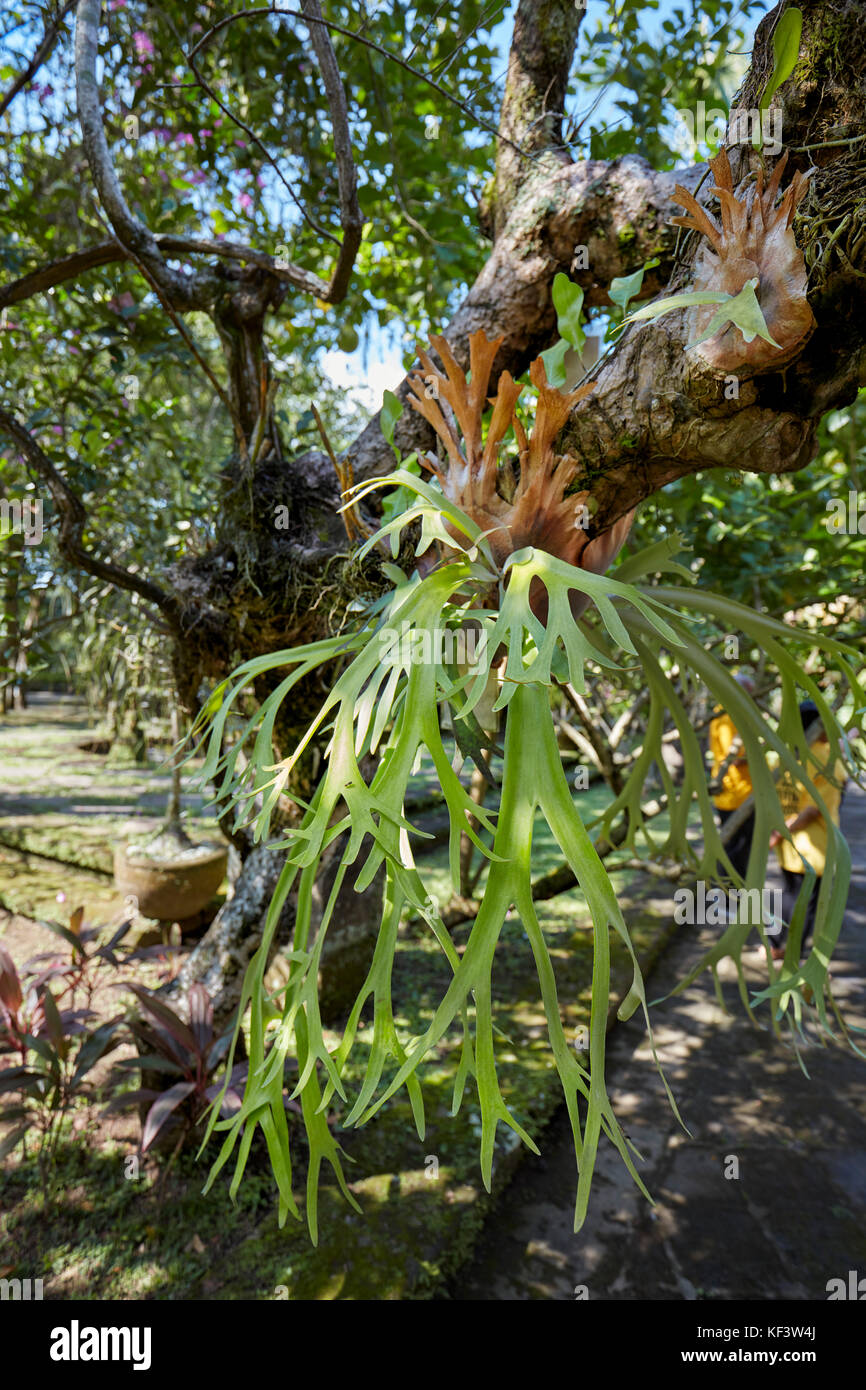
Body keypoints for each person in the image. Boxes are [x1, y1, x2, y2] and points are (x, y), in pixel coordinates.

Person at [769, 700, 848, 962]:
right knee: (804, 904)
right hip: (814, 849)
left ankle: (780, 946)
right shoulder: (826, 758)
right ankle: (789, 952)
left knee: (791, 897)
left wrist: (776, 833)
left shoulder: (785, 755)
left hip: (788, 846)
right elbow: (813, 810)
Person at [709, 673, 757, 882]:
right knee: (736, 850)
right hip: (736, 794)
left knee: (737, 848)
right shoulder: (728, 718)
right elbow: (734, 757)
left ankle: (732, 896)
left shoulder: (724, 714)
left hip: (737, 793)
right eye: (749, 694)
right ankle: (731, 898)